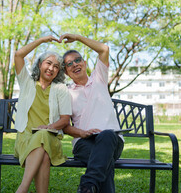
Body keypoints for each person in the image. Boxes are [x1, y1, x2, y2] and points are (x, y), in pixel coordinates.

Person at [61, 34, 125, 193]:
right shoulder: (66, 93)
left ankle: (87, 186)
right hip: (84, 143)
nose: (75, 64)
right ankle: (88, 187)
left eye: (77, 60)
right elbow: (65, 127)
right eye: (69, 64)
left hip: (112, 140)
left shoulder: (99, 78)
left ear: (84, 62)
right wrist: (82, 133)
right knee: (104, 161)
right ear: (67, 72)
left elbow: (104, 49)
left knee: (107, 135)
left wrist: (77, 37)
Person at [14, 36, 72, 193]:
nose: (51, 68)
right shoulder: (27, 83)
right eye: (48, 63)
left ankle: (22, 188)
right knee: (44, 152)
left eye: (56, 66)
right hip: (25, 139)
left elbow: (65, 120)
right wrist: (42, 40)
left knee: (44, 135)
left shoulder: (61, 89)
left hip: (51, 138)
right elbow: (19, 55)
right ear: (40, 65)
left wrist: (49, 127)